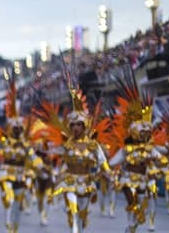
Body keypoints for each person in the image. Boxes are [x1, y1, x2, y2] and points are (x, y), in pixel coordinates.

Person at [35, 88, 110, 233]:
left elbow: (102, 160)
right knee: (73, 209)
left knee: (82, 214)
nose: (76, 128)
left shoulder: (92, 145)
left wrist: (108, 172)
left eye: (79, 124)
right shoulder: (66, 144)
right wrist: (43, 145)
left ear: (84, 126)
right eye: (73, 125)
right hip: (69, 181)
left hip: (86, 181)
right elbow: (51, 149)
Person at [0, 79, 44, 233]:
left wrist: (38, 163)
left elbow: (32, 156)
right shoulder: (5, 141)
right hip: (6, 172)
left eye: (19, 128)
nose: (16, 130)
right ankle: (8, 223)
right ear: (10, 128)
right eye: (14, 128)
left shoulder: (26, 144)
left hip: (21, 174)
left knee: (17, 203)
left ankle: (14, 228)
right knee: (8, 199)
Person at [107, 79, 164, 233]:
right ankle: (131, 227)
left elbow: (162, 157)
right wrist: (105, 165)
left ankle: (131, 227)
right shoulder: (127, 149)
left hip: (144, 180)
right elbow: (113, 162)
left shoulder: (150, 149)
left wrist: (162, 163)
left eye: (146, 134)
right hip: (128, 179)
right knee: (133, 205)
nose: (144, 136)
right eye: (142, 133)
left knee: (141, 209)